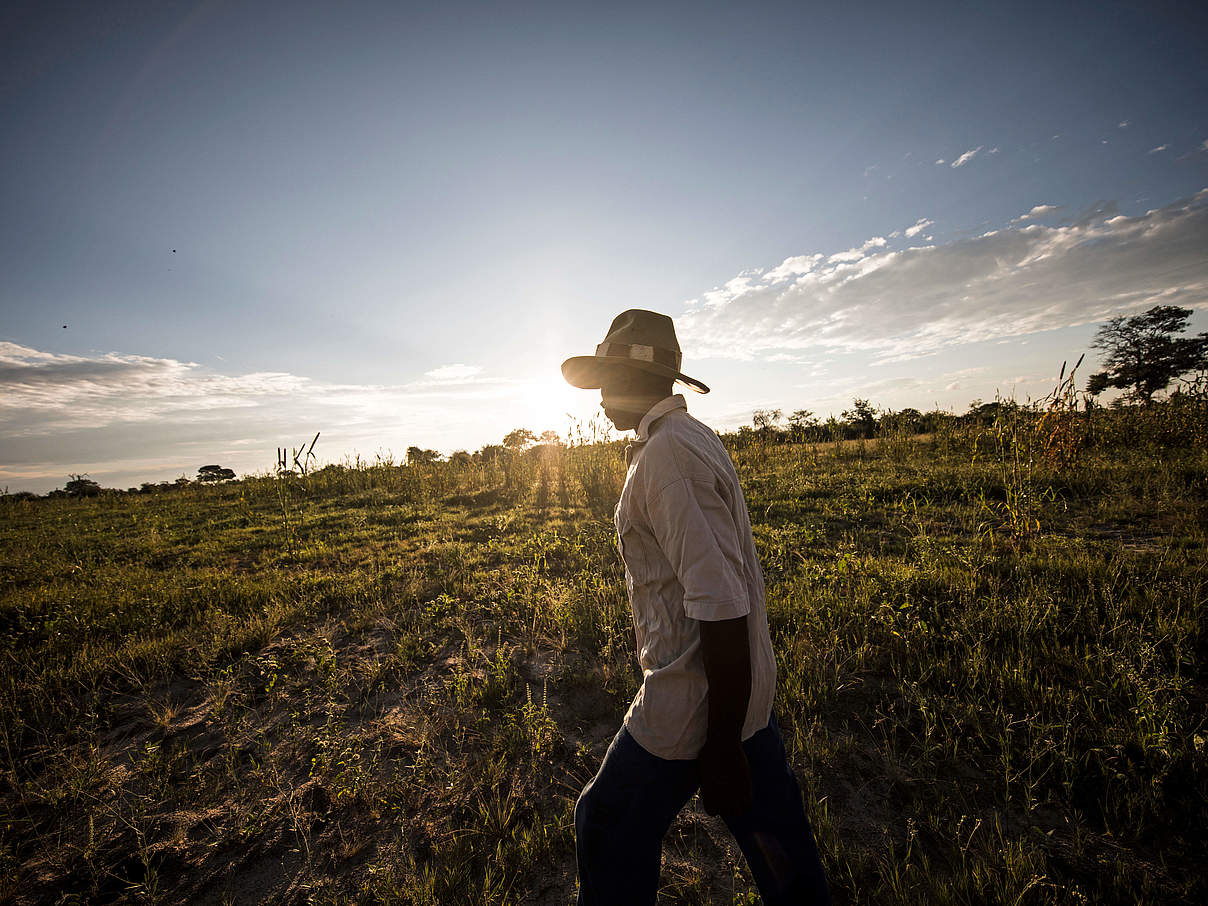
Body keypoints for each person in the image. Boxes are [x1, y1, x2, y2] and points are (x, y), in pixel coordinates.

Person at [561, 309, 832, 905]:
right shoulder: (684, 439)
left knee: (604, 821)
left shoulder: (669, 458)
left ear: (646, 383)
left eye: (611, 377)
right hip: (736, 698)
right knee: (778, 846)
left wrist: (722, 744)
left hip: (691, 700)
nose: (602, 396)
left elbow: (721, 604)